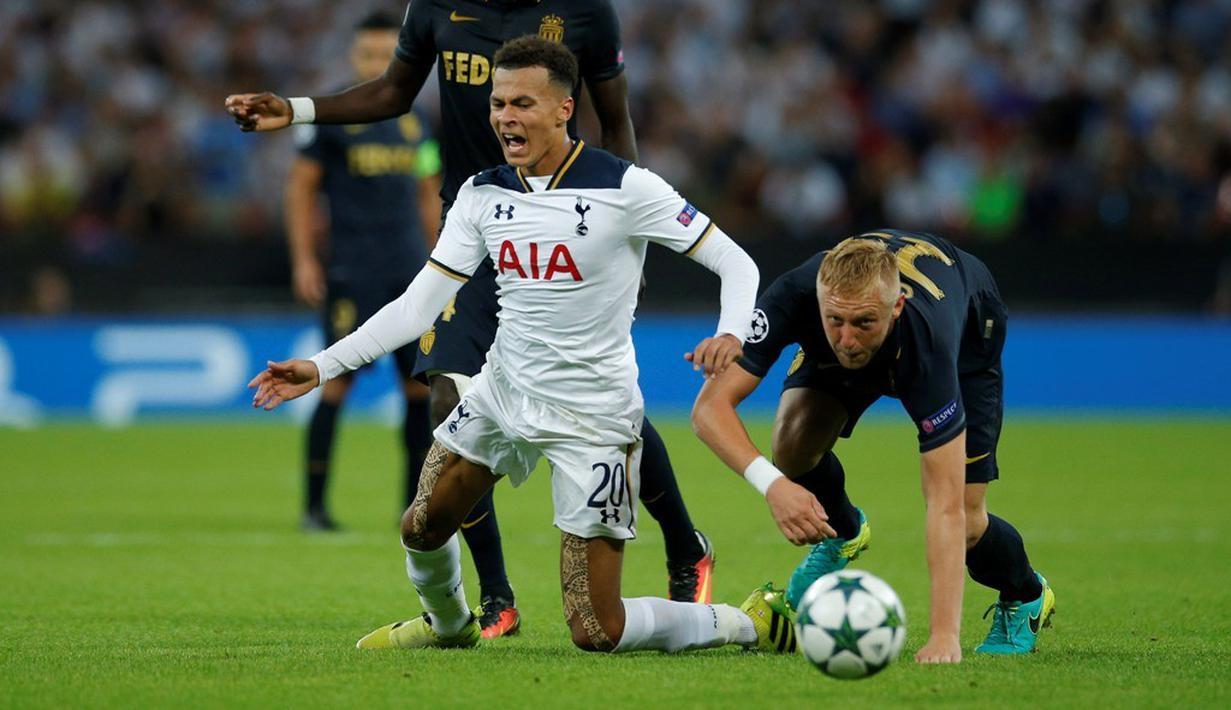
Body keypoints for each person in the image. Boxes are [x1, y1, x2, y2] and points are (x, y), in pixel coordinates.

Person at [248, 37, 795, 655]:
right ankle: (450, 626)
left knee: (597, 631)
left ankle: (749, 621)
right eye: (498, 103)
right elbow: (418, 306)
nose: (506, 116)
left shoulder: (628, 188)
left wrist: (729, 329)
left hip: (593, 416)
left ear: (564, 109)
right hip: (501, 395)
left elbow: (735, 261)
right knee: (422, 526)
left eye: (523, 104)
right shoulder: (482, 195)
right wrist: (320, 366)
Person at [691, 230, 1055, 664]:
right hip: (874, 325)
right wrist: (773, 485)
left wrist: (943, 636)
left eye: (863, 322)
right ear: (820, 301)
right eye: (834, 321)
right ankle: (843, 533)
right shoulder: (796, 295)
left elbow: (943, 505)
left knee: (969, 520)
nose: (846, 339)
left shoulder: (929, 346)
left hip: (970, 330)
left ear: (896, 306)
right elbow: (709, 410)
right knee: (790, 447)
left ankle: (1026, 594)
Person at [285, 12, 442, 532]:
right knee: (333, 384)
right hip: (353, 271)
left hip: (408, 272)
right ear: (354, 57)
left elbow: (427, 190)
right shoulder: (332, 116)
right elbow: (301, 189)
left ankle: (412, 507)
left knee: (418, 390)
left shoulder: (415, 120)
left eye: (385, 55)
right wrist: (305, 259)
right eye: (368, 55)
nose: (377, 64)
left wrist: (441, 261)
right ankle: (314, 507)